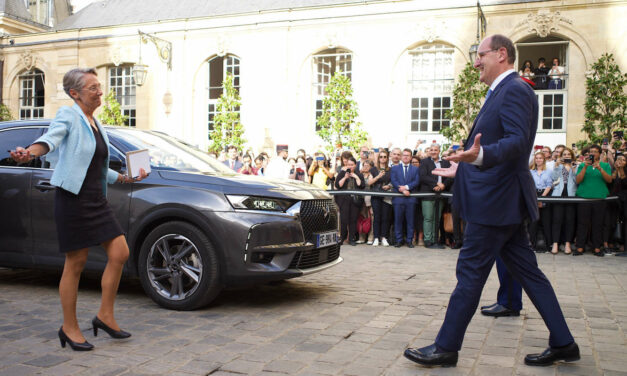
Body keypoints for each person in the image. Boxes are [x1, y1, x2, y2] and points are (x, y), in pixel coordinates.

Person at [403, 35, 578, 368]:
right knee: (531, 275)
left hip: (496, 206)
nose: (476, 62)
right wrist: (463, 166)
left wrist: (479, 154)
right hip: (502, 204)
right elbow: (498, 150)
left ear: (501, 54)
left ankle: (446, 347)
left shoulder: (515, 89)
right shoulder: (500, 91)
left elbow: (517, 144)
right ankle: (564, 342)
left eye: (480, 54)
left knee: (469, 274)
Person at [9, 68, 148, 351]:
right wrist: (30, 152)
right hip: (73, 198)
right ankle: (69, 327)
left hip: (96, 198)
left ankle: (105, 316)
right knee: (76, 263)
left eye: (100, 86)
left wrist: (122, 178)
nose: (100, 91)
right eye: (93, 87)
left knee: (120, 252)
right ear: (75, 93)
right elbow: (51, 140)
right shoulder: (68, 115)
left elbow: (93, 163)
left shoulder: (94, 121)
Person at [574, 144, 612, 256]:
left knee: (598, 224)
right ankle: (580, 247)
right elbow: (578, 180)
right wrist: (585, 167)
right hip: (584, 198)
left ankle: (597, 247)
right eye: (591, 151)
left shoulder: (605, 165)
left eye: (595, 151)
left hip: (599, 198)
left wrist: (600, 168)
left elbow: (609, 180)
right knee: (582, 224)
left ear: (600, 154)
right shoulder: (582, 165)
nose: (593, 153)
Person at [419, 144, 452, 249]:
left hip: (440, 195)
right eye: (431, 150)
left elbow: (450, 176)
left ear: (439, 151)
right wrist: (435, 184)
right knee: (428, 218)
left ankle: (434, 240)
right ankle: (428, 240)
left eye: (435, 150)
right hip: (428, 194)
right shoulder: (424, 162)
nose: (433, 152)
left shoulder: (446, 163)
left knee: (436, 218)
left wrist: (443, 185)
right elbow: (423, 176)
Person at [550, 147, 578, 254]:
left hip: (571, 194)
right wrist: (557, 166)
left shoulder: (576, 166)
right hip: (558, 194)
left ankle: (567, 244)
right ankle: (555, 243)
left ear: (572, 156)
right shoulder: (558, 165)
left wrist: (574, 169)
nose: (566, 156)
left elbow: (577, 181)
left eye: (568, 154)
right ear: (561, 156)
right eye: (564, 154)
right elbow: (554, 178)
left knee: (569, 220)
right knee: (557, 220)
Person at [390, 148, 420, 248]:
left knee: (410, 221)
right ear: (401, 157)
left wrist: (407, 187)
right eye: (404, 155)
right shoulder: (394, 168)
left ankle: (409, 240)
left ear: (411, 157)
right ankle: (399, 240)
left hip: (410, 199)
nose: (406, 157)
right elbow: (394, 181)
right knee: (398, 220)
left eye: (408, 155)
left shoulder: (415, 169)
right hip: (398, 199)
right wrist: (402, 190)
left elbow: (416, 181)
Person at [334, 156, 365, 246]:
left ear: (355, 165)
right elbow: (338, 185)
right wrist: (345, 177)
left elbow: (361, 185)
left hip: (355, 200)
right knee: (344, 220)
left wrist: (356, 177)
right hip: (344, 200)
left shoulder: (359, 174)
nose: (350, 167)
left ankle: (351, 238)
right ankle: (342, 237)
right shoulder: (342, 173)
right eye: (348, 165)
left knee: (353, 220)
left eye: (352, 165)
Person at [529, 151, 553, 253]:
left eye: (540, 158)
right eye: (537, 158)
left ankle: (548, 246)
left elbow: (549, 185)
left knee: (546, 222)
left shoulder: (548, 171)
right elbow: (529, 185)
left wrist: (542, 198)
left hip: (545, 194)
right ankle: (531, 246)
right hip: (533, 194)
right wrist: (536, 198)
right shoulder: (530, 171)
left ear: (544, 160)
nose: (538, 160)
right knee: (533, 223)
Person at [369, 149, 393, 247]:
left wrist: (389, 186)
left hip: (386, 195)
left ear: (387, 158)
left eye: (385, 157)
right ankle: (376, 237)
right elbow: (369, 182)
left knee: (385, 217)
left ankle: (384, 237)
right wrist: (378, 176)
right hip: (376, 194)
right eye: (381, 157)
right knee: (377, 217)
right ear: (378, 158)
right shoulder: (373, 169)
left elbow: (393, 181)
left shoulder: (391, 170)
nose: (383, 159)